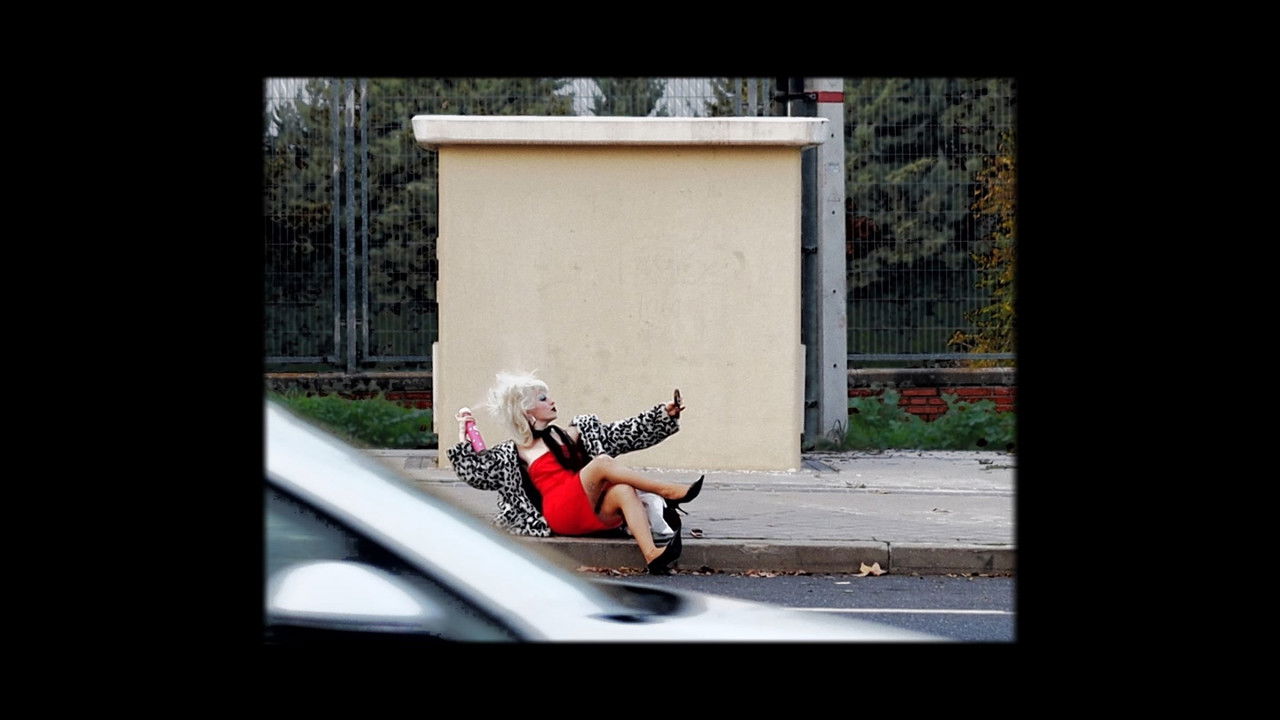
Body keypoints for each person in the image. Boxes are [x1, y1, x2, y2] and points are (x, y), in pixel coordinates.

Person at [447, 371, 704, 575]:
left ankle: (652, 555)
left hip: (584, 507)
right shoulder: (513, 452)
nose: (552, 401)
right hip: (558, 512)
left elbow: (620, 434)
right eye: (543, 398)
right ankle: (667, 491)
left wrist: (661, 415)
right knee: (602, 463)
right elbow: (477, 472)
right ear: (526, 411)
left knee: (623, 490)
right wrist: (464, 434)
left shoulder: (568, 434)